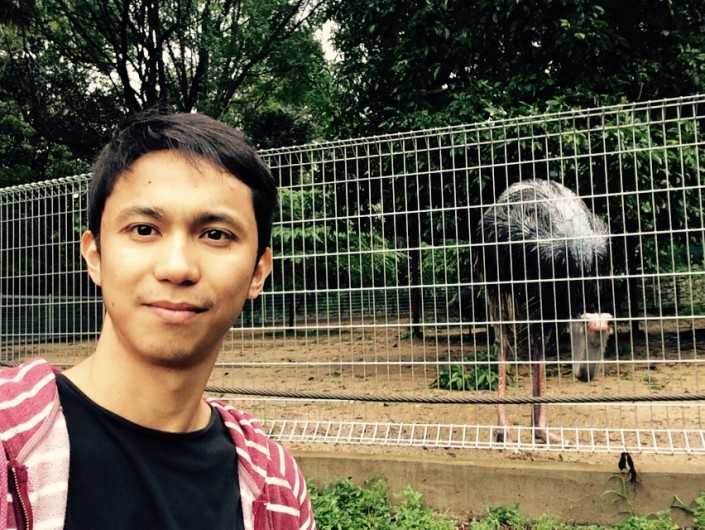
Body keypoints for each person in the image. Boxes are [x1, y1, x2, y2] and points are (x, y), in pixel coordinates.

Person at [0, 111, 316, 530]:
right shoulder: (8, 438)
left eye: (216, 234)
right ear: (94, 255)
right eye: (144, 229)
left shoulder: (278, 486)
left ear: (258, 272)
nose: (177, 267)